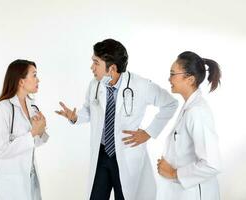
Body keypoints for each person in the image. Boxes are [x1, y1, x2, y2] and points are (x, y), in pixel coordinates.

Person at [56, 39, 178, 200]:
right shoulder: (95, 85)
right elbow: (89, 110)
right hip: (102, 155)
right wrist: (75, 117)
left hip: (127, 155)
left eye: (96, 63)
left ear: (112, 68)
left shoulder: (140, 85)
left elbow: (170, 103)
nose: (92, 67)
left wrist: (149, 132)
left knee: (125, 196)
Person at [157, 51, 222, 200]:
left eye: (173, 74)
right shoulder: (189, 107)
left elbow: (212, 164)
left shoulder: (197, 112)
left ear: (190, 79)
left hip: (195, 193)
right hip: (182, 192)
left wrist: (173, 173)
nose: (169, 78)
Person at [0, 59, 49, 200]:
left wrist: (41, 130)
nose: (38, 79)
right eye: (34, 75)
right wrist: (33, 132)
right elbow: (0, 150)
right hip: (9, 184)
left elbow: (34, 143)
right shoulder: (1, 109)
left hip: (30, 178)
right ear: (21, 81)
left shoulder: (32, 107)